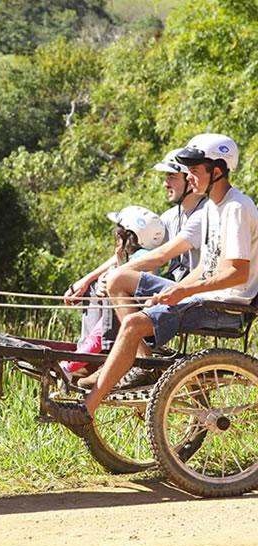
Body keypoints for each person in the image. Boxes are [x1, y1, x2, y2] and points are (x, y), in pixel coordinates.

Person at [47, 133, 258, 427]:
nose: (189, 176)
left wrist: (182, 290)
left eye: (195, 171)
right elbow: (207, 268)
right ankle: (143, 362)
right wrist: (177, 289)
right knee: (119, 278)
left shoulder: (236, 208)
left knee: (133, 325)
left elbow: (238, 274)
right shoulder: (211, 207)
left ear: (218, 171)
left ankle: (86, 410)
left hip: (224, 307)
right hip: (204, 297)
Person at [70, 148, 208, 388]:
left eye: (171, 177)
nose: (165, 183)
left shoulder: (202, 216)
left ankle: (136, 358)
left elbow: (158, 256)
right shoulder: (170, 217)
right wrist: (87, 279)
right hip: (173, 283)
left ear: (189, 178)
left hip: (189, 289)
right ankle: (99, 357)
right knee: (98, 285)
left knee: (117, 283)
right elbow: (138, 250)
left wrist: (118, 276)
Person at [60, 206, 165, 375]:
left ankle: (79, 363)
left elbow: (148, 280)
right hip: (124, 305)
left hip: (130, 308)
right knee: (95, 291)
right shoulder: (132, 256)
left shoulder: (144, 255)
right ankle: (84, 358)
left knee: (99, 332)